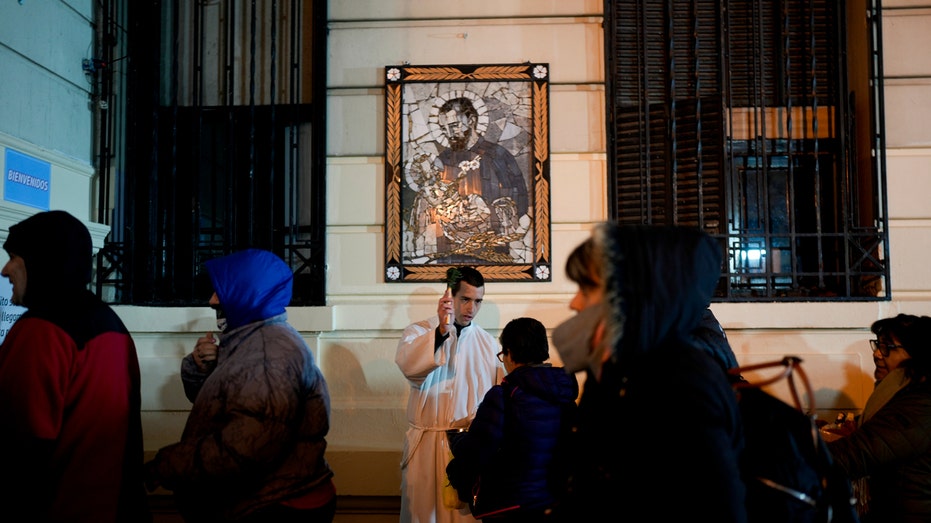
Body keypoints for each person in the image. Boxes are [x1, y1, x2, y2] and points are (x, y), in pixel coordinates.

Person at [552, 223, 747, 521]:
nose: (575, 303)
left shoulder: (685, 386)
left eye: (588, 288)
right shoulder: (616, 369)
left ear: (635, 294)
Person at [144, 248, 336, 523]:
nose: (212, 300)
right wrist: (203, 368)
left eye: (221, 291)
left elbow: (248, 446)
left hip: (274, 505)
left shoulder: (268, 353)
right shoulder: (253, 339)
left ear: (248, 293)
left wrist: (167, 465)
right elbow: (225, 405)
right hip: (265, 499)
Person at [0, 210, 149, 523]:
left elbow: (20, 442)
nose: (5, 270)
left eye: (14, 257)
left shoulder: (41, 330)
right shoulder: (111, 323)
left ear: (42, 260)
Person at [395, 265, 505, 523]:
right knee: (423, 516)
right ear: (449, 297)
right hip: (426, 447)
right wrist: (442, 333)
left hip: (466, 451)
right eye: (465, 299)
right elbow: (410, 368)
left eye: (478, 301)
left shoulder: (489, 344)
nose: (471, 308)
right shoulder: (419, 332)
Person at [446, 317, 579, 522]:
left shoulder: (504, 396)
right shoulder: (564, 394)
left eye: (503, 354)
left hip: (511, 505)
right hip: (555, 503)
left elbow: (476, 452)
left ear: (509, 353)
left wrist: (457, 441)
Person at [823, 313, 931, 522]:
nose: (878, 355)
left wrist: (791, 456)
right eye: (878, 345)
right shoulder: (900, 395)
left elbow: (853, 455)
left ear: (918, 353)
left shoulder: (919, 406)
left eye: (888, 347)